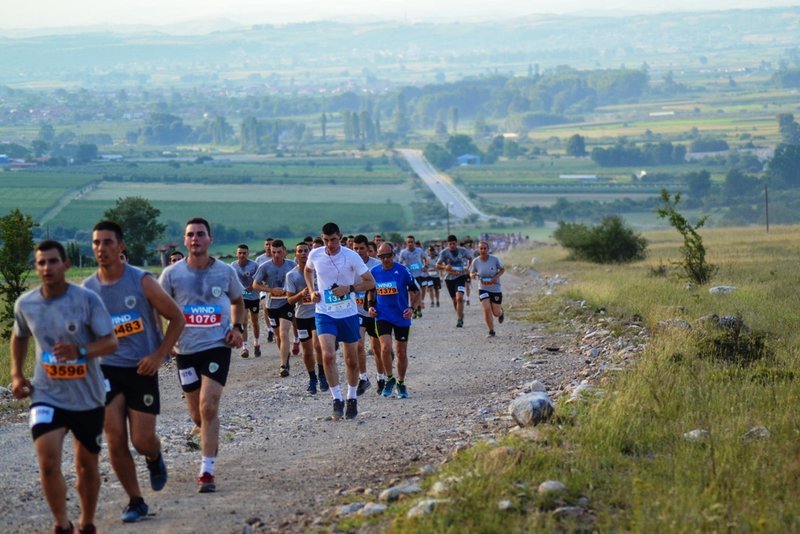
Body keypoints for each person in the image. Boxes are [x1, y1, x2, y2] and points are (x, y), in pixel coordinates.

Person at [11, 240, 118, 534]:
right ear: (36, 267)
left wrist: (80, 351)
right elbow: (19, 335)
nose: (47, 267)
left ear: (66, 264)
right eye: (41, 262)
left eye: (52, 261)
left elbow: (111, 341)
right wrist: (17, 374)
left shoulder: (86, 300)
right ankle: (61, 524)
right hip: (46, 395)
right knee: (47, 461)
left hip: (88, 396)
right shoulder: (26, 303)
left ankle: (87, 522)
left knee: (86, 466)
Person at [83, 221, 185, 523]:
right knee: (114, 437)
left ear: (121, 246)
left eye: (107, 242)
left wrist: (159, 355)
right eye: (96, 243)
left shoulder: (142, 281)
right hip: (107, 370)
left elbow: (176, 319)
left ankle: (154, 457)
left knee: (141, 440)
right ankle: (135, 500)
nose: (101, 249)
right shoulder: (88, 289)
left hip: (142, 368)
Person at [159, 217, 245, 493]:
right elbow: (157, 306)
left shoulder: (224, 272)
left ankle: (206, 470)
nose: (195, 239)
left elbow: (237, 301)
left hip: (217, 346)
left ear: (210, 240)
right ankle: (208, 435)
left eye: (200, 234)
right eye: (190, 235)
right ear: (184, 241)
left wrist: (238, 327)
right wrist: (165, 339)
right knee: (197, 415)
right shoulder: (172, 275)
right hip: (184, 350)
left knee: (209, 407)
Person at [304, 222, 375, 419]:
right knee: (327, 356)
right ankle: (337, 399)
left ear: (341, 237)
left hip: (348, 313)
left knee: (352, 360)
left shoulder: (351, 256)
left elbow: (370, 282)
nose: (330, 244)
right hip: (324, 312)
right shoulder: (315, 254)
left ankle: (351, 397)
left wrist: (349, 288)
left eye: (333, 240)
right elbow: (308, 271)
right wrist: (311, 290)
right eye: (326, 240)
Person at [368, 242, 420, 399]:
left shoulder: (402, 270)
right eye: (381, 256)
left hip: (401, 316)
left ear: (393, 255)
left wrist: (412, 309)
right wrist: (370, 306)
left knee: (401, 352)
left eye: (388, 256)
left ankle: (401, 382)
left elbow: (416, 291)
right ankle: (389, 378)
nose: (385, 259)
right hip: (382, 315)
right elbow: (371, 291)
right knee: (385, 348)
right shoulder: (374, 272)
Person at [285, 242, 328, 394]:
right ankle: (312, 378)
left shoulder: (318, 272)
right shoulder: (291, 275)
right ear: (295, 255)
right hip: (301, 316)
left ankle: (322, 374)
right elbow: (290, 300)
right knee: (307, 351)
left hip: (318, 313)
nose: (303, 254)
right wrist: (302, 294)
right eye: (300, 251)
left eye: (306, 251)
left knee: (318, 345)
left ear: (310, 254)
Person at [253, 239, 296, 377]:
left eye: (279, 252)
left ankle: (283, 365)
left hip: (287, 303)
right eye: (273, 252)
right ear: (270, 252)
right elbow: (255, 285)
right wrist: (270, 289)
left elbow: (300, 279)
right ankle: (285, 356)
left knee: (284, 332)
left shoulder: (292, 265)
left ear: (284, 251)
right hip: (271, 305)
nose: (276, 255)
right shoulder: (264, 267)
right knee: (278, 335)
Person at [352, 234, 383, 395]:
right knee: (358, 345)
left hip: (375, 311)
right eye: (355, 248)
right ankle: (363, 378)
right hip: (357, 311)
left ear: (367, 249)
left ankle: (381, 377)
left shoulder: (376, 265)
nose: (358, 251)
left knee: (377, 348)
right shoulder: (348, 266)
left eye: (361, 248)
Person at [469, 241, 506, 337]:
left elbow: (502, 269)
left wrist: (495, 277)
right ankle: (491, 331)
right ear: (478, 249)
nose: (483, 250)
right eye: (481, 248)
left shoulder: (495, 259)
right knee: (486, 309)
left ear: (488, 249)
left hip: (495, 288)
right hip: (483, 288)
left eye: (485, 248)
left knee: (496, 313)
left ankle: (501, 312)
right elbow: (471, 272)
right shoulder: (475, 261)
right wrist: (473, 275)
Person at [230, 244, 261, 358]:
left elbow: (260, 280)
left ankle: (257, 343)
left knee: (255, 322)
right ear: (236, 254)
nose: (242, 255)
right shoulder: (233, 265)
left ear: (248, 253)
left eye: (244, 253)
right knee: (243, 322)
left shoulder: (254, 265)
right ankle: (245, 347)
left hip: (253, 297)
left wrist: (253, 286)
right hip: (241, 298)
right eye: (240, 253)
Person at [436, 234, 473, 328]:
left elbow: (470, 258)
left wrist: (468, 268)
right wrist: (445, 267)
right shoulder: (444, 253)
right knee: (454, 301)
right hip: (449, 279)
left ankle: (459, 320)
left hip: (460, 277)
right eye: (450, 244)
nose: (452, 245)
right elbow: (437, 265)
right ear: (447, 244)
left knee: (459, 298)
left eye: (453, 243)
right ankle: (460, 314)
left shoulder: (462, 251)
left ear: (456, 243)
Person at [398, 235, 427, 319]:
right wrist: (404, 264)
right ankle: (413, 310)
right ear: (406, 243)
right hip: (409, 276)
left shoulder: (419, 250)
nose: (410, 244)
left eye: (412, 242)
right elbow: (399, 263)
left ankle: (418, 308)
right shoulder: (403, 252)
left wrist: (425, 266)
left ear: (414, 243)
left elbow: (425, 258)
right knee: (411, 294)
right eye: (408, 242)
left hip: (418, 275)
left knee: (418, 292)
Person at [255, 238, 275, 344]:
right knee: (265, 307)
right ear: (264, 246)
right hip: (264, 288)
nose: (268, 246)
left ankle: (276, 328)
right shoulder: (259, 259)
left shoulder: (278, 257)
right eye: (267, 244)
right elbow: (256, 274)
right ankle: (270, 329)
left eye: (271, 244)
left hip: (277, 288)